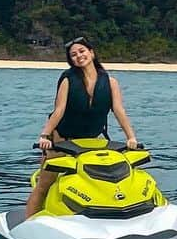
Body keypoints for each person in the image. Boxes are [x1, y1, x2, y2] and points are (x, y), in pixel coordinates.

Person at [28, 35, 140, 217]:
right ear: (71, 60)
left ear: (92, 53)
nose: (79, 56)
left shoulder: (110, 82)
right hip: (61, 138)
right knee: (44, 184)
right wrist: (44, 136)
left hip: (89, 141)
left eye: (82, 51)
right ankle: (28, 225)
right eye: (73, 55)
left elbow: (119, 110)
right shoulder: (68, 80)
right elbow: (58, 110)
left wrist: (131, 138)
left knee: (94, 181)